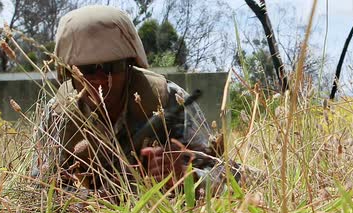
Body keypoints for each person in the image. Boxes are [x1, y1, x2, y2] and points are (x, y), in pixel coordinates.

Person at [31, 5, 236, 197]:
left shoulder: (166, 99)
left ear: (130, 65)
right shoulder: (59, 114)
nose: (103, 78)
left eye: (113, 66)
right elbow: (37, 185)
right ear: (69, 72)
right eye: (87, 69)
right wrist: (87, 196)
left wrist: (185, 177)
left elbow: (221, 172)